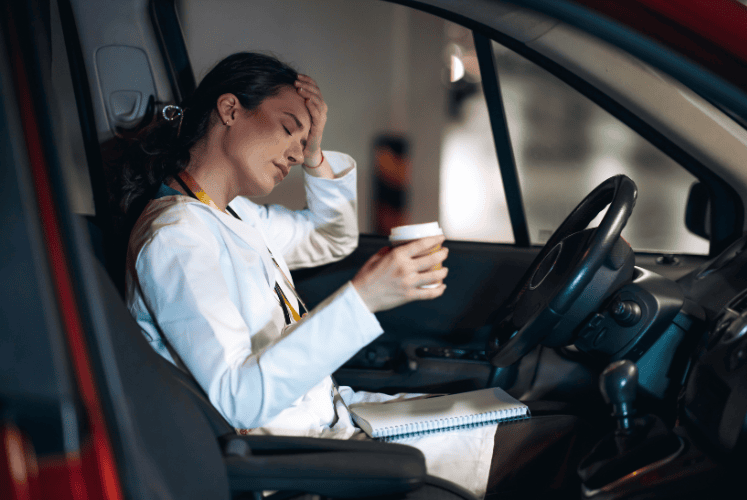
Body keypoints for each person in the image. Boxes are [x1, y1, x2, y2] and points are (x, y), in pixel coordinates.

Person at [119, 52, 495, 497]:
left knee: (519, 420)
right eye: (288, 129)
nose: (298, 153)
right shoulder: (175, 239)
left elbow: (331, 238)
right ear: (230, 109)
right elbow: (239, 400)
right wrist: (365, 297)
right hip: (298, 460)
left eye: (306, 138)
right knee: (542, 447)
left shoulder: (232, 215)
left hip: (330, 424)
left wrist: (318, 153)